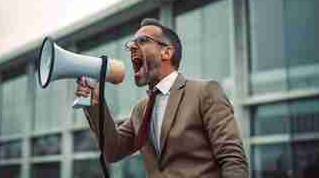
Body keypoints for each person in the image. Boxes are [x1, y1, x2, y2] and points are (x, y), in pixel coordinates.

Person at [75, 18, 249, 178]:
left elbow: (233, 159)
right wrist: (94, 102)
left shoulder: (204, 92)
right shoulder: (140, 110)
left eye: (142, 41)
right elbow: (113, 151)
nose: (132, 47)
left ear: (167, 52)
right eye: (131, 45)